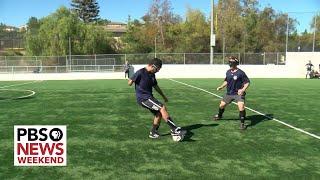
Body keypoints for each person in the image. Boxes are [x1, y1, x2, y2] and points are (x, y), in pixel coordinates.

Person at [128, 58, 186, 140]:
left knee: (158, 113)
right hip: (143, 98)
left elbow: (156, 87)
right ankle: (174, 129)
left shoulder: (152, 75)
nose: (157, 71)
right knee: (162, 107)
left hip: (149, 97)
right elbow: (129, 83)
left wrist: (163, 96)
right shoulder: (140, 72)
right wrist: (132, 80)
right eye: (157, 69)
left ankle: (153, 132)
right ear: (152, 66)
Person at [213, 56, 250, 130]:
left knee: (241, 106)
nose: (230, 63)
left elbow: (247, 82)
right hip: (229, 93)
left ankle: (242, 124)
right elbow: (226, 81)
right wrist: (221, 87)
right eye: (229, 62)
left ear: (235, 63)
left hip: (238, 94)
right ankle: (220, 115)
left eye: (231, 62)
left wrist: (243, 89)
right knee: (221, 105)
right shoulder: (228, 72)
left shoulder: (241, 73)